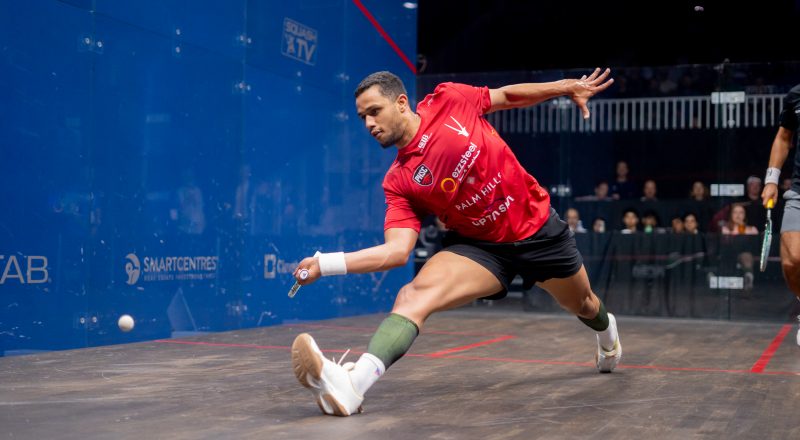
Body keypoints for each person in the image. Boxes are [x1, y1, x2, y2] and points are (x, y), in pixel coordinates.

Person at [289, 69, 621, 416]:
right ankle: (353, 386)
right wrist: (324, 264)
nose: (369, 124)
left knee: (583, 304)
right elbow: (396, 251)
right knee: (413, 296)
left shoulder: (450, 99)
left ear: (401, 103)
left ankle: (608, 335)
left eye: (374, 111)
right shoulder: (399, 181)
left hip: (537, 231)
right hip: (482, 249)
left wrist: (565, 87)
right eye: (362, 118)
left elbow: (507, 96)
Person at [760, 83, 800, 346]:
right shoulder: (795, 94)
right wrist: (771, 179)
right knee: (792, 261)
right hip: (799, 190)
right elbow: (784, 136)